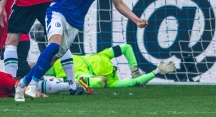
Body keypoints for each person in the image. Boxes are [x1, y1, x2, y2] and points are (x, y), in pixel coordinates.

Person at [14, 0, 150, 102]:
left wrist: (136, 19)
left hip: (75, 22)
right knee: (54, 46)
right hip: (58, 11)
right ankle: (32, 85)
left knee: (52, 59)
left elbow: (119, 4)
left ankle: (20, 85)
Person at [45, 44, 176, 88]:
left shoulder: (113, 81)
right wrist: (134, 69)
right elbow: (126, 48)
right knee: (34, 67)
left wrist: (156, 71)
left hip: (79, 75)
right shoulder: (104, 55)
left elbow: (135, 82)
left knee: (100, 81)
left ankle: (63, 84)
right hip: (64, 62)